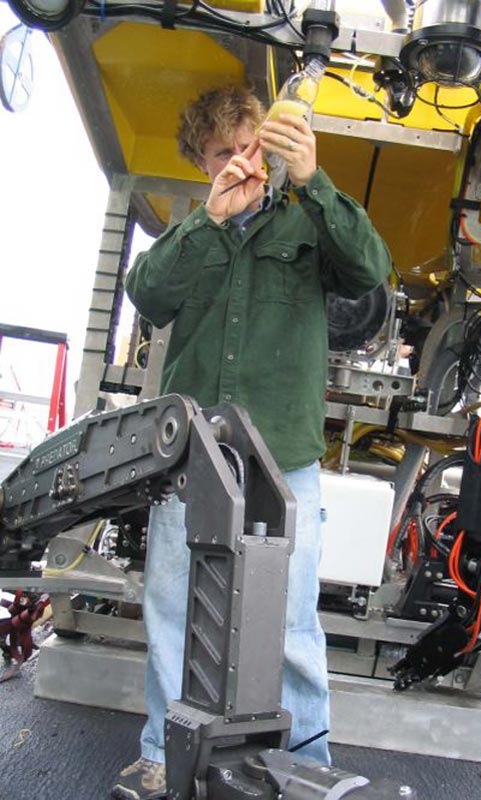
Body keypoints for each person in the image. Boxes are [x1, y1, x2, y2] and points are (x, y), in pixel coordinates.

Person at [111, 84, 392, 800]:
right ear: (201, 163)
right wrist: (207, 220)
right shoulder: (195, 226)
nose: (238, 163)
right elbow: (147, 294)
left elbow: (370, 268)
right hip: (193, 455)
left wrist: (313, 179)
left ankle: (310, 755)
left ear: (265, 144)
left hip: (284, 456)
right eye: (220, 155)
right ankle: (160, 751)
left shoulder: (309, 217)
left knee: (293, 620)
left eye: (248, 146)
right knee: (173, 609)